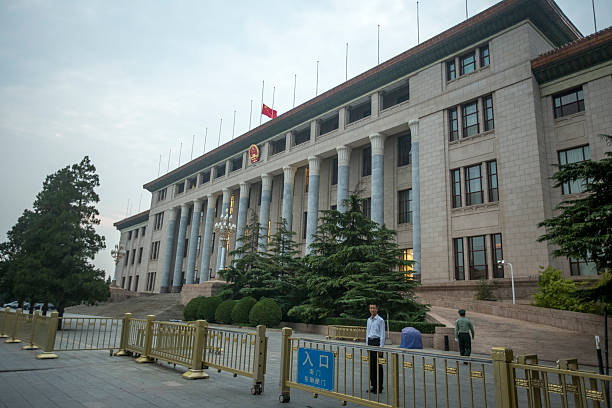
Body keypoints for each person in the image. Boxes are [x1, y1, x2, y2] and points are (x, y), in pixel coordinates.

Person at [366, 303, 385, 393]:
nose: (372, 309)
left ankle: (379, 387)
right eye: (371, 308)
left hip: (377, 343)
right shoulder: (368, 320)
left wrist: (381, 348)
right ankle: (373, 386)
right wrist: (367, 345)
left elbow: (382, 334)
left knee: (378, 366)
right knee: (371, 366)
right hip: (370, 342)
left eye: (374, 308)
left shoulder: (380, 320)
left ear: (377, 309)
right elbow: (367, 333)